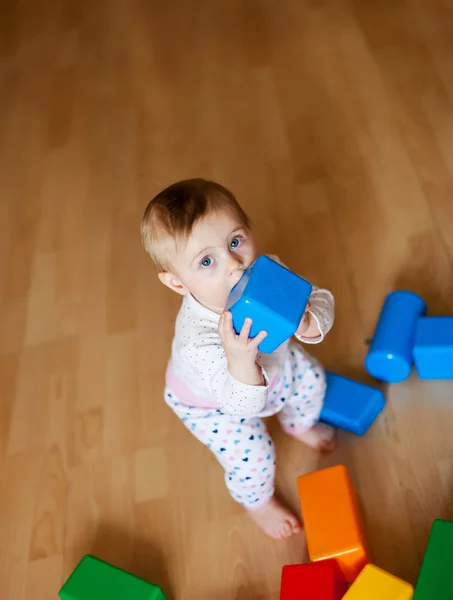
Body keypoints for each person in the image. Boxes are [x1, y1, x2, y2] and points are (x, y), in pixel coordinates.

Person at [140, 178, 336, 539]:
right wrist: (241, 361)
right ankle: (257, 505)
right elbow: (238, 405)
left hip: (277, 369)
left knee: (312, 379)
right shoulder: (198, 339)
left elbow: (320, 298)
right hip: (216, 401)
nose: (233, 264)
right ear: (177, 283)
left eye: (235, 241)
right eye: (207, 261)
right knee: (253, 456)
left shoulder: (267, 271)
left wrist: (308, 321)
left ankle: (298, 423)